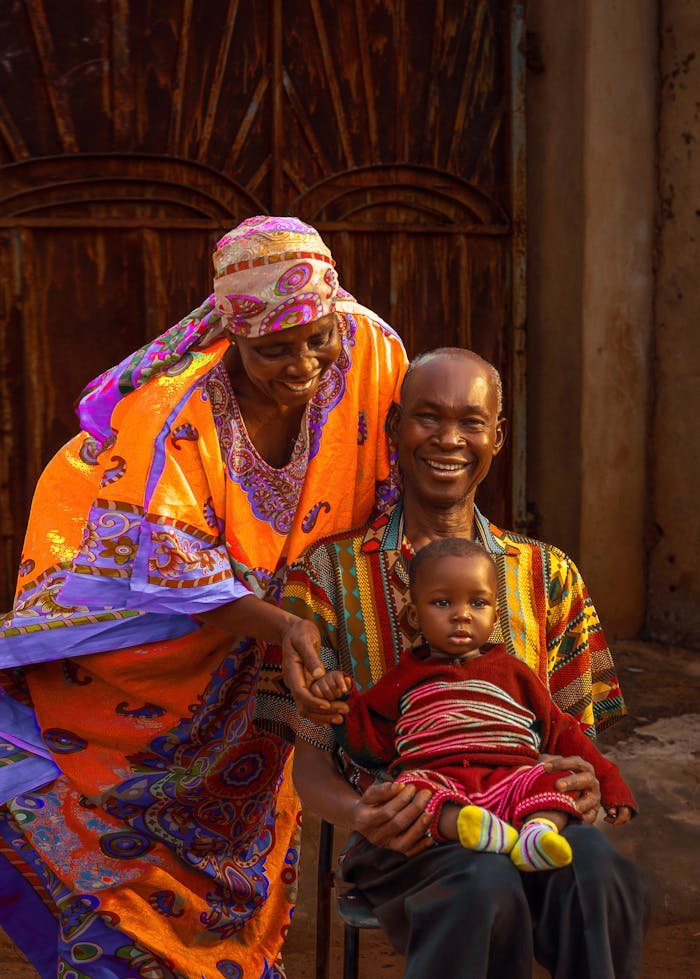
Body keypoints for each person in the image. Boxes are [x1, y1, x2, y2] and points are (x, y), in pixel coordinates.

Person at [0, 216, 407, 979]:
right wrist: (285, 627)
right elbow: (183, 577)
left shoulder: (370, 352)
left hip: (262, 668)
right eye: (273, 350)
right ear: (230, 333)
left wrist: (325, 620)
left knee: (248, 832)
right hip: (155, 657)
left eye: (315, 338)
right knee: (100, 830)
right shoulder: (172, 412)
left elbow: (390, 478)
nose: (303, 365)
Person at [270, 347, 648, 978]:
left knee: (602, 874)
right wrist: (363, 815)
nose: (449, 438)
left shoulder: (548, 576)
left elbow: (574, 736)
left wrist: (585, 788)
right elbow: (309, 763)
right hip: (412, 839)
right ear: (394, 428)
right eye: (427, 416)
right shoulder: (325, 576)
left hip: (533, 819)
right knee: (481, 884)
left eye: (471, 422)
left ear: (496, 437)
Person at [311, 537, 637, 876]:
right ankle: (481, 831)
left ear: (496, 616)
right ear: (414, 616)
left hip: (513, 776)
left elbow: (562, 729)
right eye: (442, 603)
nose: (461, 615)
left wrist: (610, 781)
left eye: (478, 603)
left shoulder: (515, 673)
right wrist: (343, 701)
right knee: (414, 795)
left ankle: (537, 834)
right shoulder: (403, 678)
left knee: (554, 783)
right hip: (441, 777)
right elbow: (371, 744)